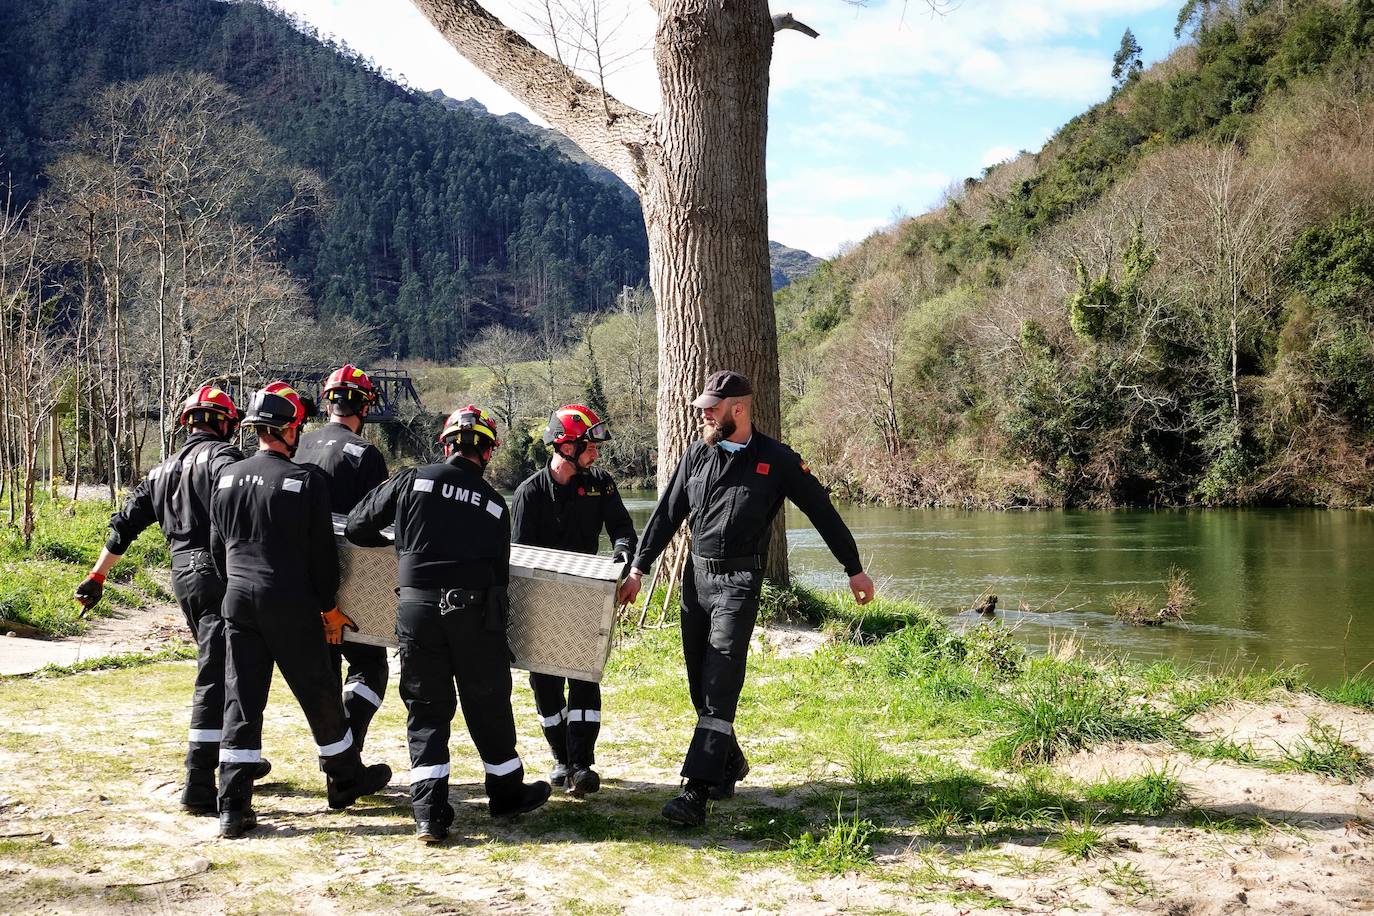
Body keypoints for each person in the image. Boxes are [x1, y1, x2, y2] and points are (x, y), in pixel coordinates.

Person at [616, 370, 876, 827]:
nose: (702, 413)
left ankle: (695, 792)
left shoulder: (776, 460)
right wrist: (639, 567)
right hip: (695, 580)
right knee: (699, 683)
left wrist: (853, 569)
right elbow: (667, 514)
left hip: (739, 581)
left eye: (711, 407)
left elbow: (822, 512)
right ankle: (730, 763)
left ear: (738, 409)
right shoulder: (697, 455)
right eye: (702, 407)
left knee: (720, 681)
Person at [346, 405, 550, 844]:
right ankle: (506, 792)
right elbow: (501, 578)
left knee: (426, 709)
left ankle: (429, 814)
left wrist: (402, 544)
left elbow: (358, 528)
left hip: (417, 611)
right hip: (476, 615)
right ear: (489, 452)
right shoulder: (496, 506)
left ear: (446, 444)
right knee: (489, 703)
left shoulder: (411, 479)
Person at [74, 385, 271, 814]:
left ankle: (231, 759)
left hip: (181, 574)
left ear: (186, 423)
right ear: (225, 423)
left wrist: (97, 575)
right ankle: (199, 783)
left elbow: (123, 527)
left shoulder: (159, 471)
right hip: (217, 569)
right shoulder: (224, 459)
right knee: (219, 674)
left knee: (219, 665)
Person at [209, 382, 391, 838]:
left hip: (238, 599)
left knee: (242, 700)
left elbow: (217, 548)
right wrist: (329, 608)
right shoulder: (303, 482)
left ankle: (233, 805)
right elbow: (321, 559)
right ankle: (347, 776)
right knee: (319, 693)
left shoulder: (227, 476)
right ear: (289, 430)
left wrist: (235, 587)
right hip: (289, 602)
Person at [511, 404, 637, 798]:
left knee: (585, 680)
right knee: (545, 684)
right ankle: (561, 759)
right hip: (541, 603)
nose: (595, 454)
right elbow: (515, 558)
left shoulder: (601, 484)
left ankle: (582, 763)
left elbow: (622, 529)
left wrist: (623, 558)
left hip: (586, 597)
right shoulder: (528, 494)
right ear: (564, 447)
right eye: (588, 447)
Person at [294, 365, 390, 754]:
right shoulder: (365, 455)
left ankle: (333, 757)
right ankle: (349, 749)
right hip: (351, 579)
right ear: (365, 407)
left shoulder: (298, 445)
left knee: (326, 670)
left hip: (299, 580)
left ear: (327, 402)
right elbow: (379, 522)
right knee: (370, 666)